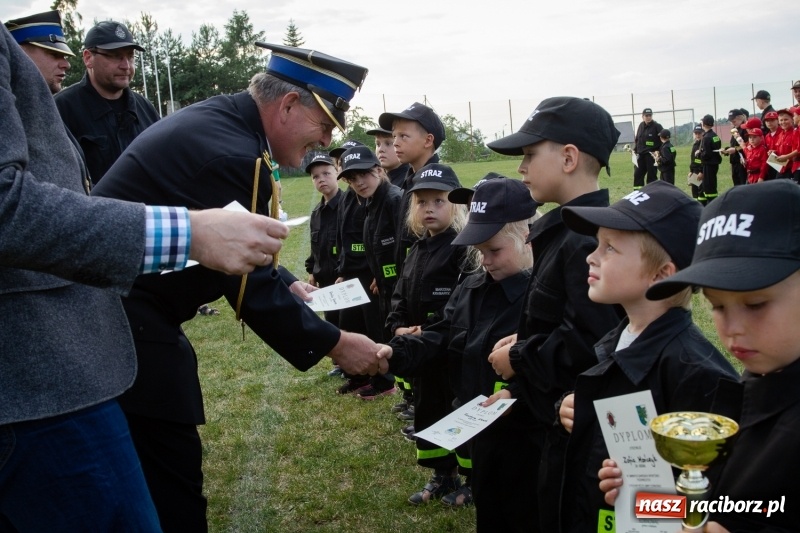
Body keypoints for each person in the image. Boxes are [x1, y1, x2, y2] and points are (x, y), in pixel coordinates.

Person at [0, 22, 297, 530]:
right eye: (44, 52)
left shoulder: (140, 109)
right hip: (40, 369)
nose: (63, 61)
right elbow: (12, 206)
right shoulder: (72, 105)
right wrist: (186, 233)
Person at [92, 42, 383, 531]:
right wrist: (337, 344)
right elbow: (245, 283)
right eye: (325, 125)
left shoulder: (225, 125)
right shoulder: (233, 154)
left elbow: (239, 248)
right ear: (289, 105)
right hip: (120, 322)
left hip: (116, 311)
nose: (325, 141)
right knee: (170, 476)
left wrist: (288, 282)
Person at [600, 180, 800, 533]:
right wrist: (641, 499)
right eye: (717, 305)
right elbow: (722, 506)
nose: (733, 327)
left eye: (755, 304)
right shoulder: (759, 383)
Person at [555, 180, 738, 532]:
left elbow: (716, 500)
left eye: (610, 248)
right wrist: (572, 410)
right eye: (597, 244)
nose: (592, 256)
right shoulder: (619, 339)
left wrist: (649, 498)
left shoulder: (697, 374)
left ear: (660, 274)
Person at [482, 96, 625, 531]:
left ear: (568, 158)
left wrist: (521, 356)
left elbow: (591, 343)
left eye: (528, 155)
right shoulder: (562, 232)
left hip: (575, 435)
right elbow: (556, 321)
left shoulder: (585, 242)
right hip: (551, 418)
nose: (521, 168)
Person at [377, 177, 540, 531]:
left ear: (528, 237)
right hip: (479, 434)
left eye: (494, 251)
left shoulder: (541, 297)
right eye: (479, 251)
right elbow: (443, 334)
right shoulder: (473, 285)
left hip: (525, 441)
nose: (486, 261)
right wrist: (394, 351)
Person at [383, 163, 468, 505]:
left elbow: (460, 304)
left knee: (456, 413)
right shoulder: (416, 249)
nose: (429, 208)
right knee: (429, 411)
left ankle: (472, 480)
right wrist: (396, 324)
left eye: (438, 201)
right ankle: (442, 475)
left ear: (456, 206)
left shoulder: (464, 249)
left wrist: (426, 330)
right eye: (421, 202)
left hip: (449, 351)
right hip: (420, 354)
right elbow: (400, 293)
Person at [54, 20, 159, 185]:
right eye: (116, 56)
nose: (126, 66)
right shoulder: (61, 109)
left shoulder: (145, 109)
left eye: (130, 56)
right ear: (88, 58)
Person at [336, 145, 401, 399]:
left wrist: (393, 278)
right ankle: (384, 380)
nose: (359, 183)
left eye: (364, 174)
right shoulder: (370, 202)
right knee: (380, 330)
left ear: (378, 169)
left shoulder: (395, 199)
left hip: (398, 287)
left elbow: (404, 246)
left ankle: (389, 383)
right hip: (383, 285)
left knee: (392, 335)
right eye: (352, 179)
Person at [5, 10, 91, 193]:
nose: (66, 64)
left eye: (65, 56)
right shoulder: (13, 115)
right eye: (53, 54)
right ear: (19, 53)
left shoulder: (41, 110)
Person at [378, 102, 446, 277]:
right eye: (394, 136)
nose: (395, 143)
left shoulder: (442, 187)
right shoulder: (407, 182)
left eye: (403, 136)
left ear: (428, 140)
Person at [304, 153, 343, 327]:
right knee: (333, 326)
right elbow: (315, 247)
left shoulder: (349, 207)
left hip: (344, 281)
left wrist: (346, 272)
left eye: (326, 173)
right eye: (316, 177)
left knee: (351, 328)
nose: (321, 179)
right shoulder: (316, 214)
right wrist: (312, 270)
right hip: (326, 284)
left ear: (337, 172)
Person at [632, 107, 663, 190]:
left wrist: (659, 152)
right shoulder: (641, 126)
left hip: (651, 156)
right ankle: (637, 194)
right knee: (637, 175)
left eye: (650, 115)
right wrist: (634, 150)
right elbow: (638, 140)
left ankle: (651, 195)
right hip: (640, 156)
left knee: (651, 177)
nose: (648, 117)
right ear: (642, 116)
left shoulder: (657, 126)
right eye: (646, 115)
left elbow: (663, 141)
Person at [697, 114, 722, 205]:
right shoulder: (715, 136)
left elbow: (707, 154)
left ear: (703, 124)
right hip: (714, 164)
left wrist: (699, 154)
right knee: (712, 184)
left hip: (708, 165)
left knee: (708, 187)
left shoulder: (706, 137)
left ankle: (712, 204)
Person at [722, 108, 748, 186]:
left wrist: (735, 149)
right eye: (731, 121)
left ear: (741, 118)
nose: (733, 123)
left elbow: (747, 144)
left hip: (743, 162)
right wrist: (726, 150)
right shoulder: (735, 130)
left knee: (742, 185)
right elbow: (734, 144)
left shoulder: (745, 129)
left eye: (734, 121)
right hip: (734, 162)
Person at [763, 110, 781, 180]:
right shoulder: (767, 136)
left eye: (772, 120)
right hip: (771, 163)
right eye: (767, 121)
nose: (769, 123)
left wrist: (776, 151)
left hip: (782, 163)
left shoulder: (783, 132)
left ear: (777, 121)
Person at [688, 125, 704, 200]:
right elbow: (693, 160)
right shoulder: (695, 144)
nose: (697, 135)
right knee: (694, 193)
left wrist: (701, 171)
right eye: (696, 133)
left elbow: (704, 160)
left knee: (701, 192)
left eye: (699, 133)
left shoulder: (703, 144)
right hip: (694, 171)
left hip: (701, 172)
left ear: (703, 133)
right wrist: (691, 171)